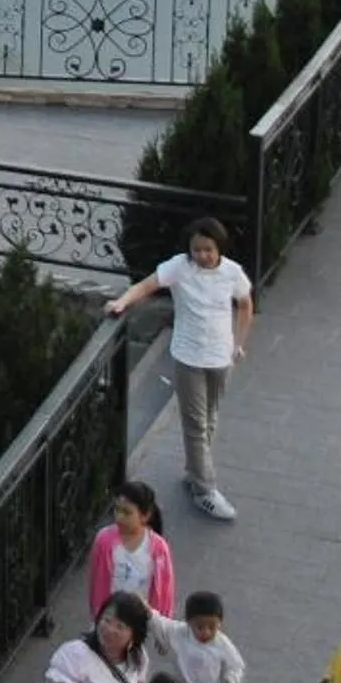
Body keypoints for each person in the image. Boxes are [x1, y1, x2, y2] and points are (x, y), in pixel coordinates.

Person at [104, 216, 255, 521]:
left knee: (209, 418)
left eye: (208, 250)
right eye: (196, 250)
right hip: (188, 357)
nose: (201, 256)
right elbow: (148, 284)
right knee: (196, 423)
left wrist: (238, 343)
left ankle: (194, 473)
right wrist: (122, 301)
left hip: (219, 358)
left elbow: (245, 304)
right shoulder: (179, 267)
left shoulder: (231, 273)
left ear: (219, 249)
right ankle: (205, 489)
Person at [42, 593, 152, 683]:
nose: (110, 629)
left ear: (134, 637)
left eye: (120, 626)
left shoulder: (138, 657)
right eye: (107, 620)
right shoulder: (75, 654)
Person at [86, 480, 175, 618]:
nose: (119, 517)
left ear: (145, 516)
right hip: (110, 617)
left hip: (141, 620)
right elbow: (96, 582)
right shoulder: (104, 540)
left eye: (127, 512)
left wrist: (162, 624)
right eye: (117, 509)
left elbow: (165, 590)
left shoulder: (159, 548)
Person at [149, 591, 244, 683]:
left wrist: (231, 680)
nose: (206, 632)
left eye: (212, 627)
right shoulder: (181, 633)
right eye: (199, 627)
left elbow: (236, 666)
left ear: (220, 623)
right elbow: (159, 622)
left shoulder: (222, 644)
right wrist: (146, 610)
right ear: (188, 622)